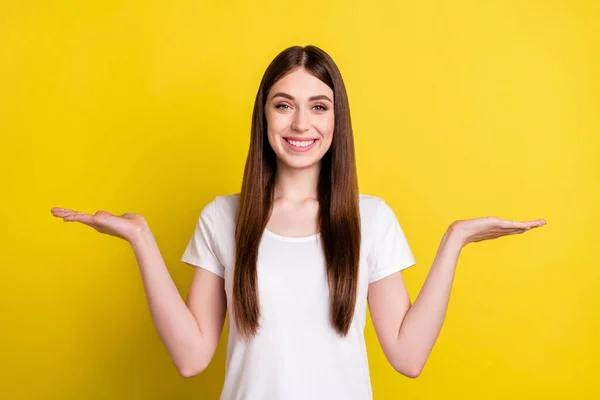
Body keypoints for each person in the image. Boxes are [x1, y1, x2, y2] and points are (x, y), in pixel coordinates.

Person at [50, 45, 546, 400]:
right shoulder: (223, 217)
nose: (301, 124)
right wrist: (140, 240)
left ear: (337, 120)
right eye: (284, 105)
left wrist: (454, 240)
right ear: (264, 117)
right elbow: (191, 357)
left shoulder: (370, 218)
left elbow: (408, 357)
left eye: (318, 107)